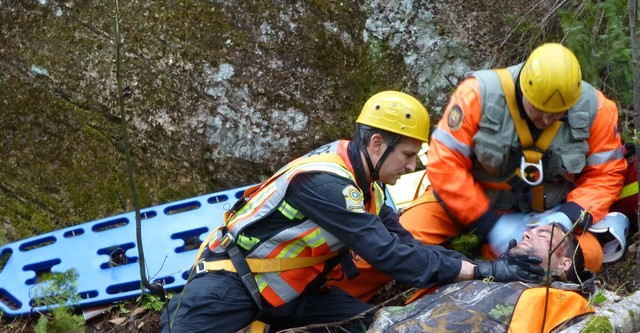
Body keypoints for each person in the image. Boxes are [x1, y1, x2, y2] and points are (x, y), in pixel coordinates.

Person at [159, 91, 545, 333]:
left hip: (294, 295)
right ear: (377, 143)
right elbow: (393, 258)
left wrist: (492, 268)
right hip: (231, 288)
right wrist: (482, 269)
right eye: (408, 155)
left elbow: (407, 245)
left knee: (376, 325)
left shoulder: (370, 188)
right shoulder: (325, 184)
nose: (413, 167)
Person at [333, 43, 629, 303]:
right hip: (465, 202)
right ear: (523, 87)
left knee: (587, 255)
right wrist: (487, 223)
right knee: (396, 241)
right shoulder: (479, 94)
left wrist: (567, 216)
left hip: (549, 212)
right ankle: (333, 302)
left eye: (557, 114)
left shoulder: (596, 110)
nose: (546, 119)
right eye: (538, 110)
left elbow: (606, 174)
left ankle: (500, 297)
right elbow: (444, 163)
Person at [367, 223, 596, 333]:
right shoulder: (488, 271)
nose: (526, 233)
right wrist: (492, 269)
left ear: (565, 263)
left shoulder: (563, 301)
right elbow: (427, 258)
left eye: (543, 234)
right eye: (530, 230)